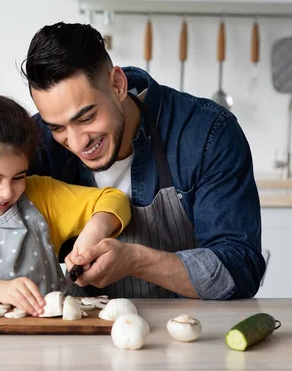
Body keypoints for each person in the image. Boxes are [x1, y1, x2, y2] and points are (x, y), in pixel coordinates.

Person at [20, 22, 265, 300]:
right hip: (79, 334)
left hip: (191, 331)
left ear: (118, 84)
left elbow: (240, 270)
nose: (77, 143)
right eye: (57, 128)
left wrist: (136, 261)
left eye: (86, 118)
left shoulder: (207, 133)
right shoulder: (36, 143)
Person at [0, 67, 131, 316]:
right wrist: (0, 291)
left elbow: (114, 199)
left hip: (53, 341)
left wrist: (95, 231)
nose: (7, 192)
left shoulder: (40, 195)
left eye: (18, 176)